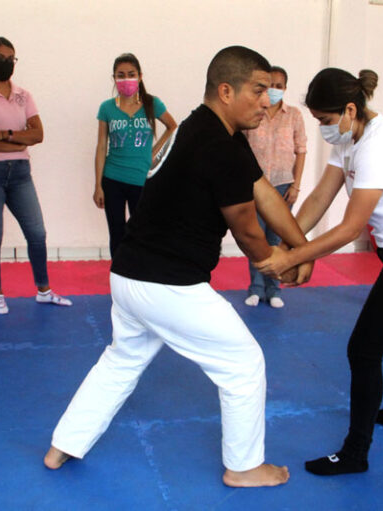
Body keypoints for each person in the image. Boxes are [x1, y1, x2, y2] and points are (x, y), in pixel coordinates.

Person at [44, 46, 314, 487]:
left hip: (128, 276)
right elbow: (247, 229)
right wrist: (281, 262)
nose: (268, 100)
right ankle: (244, 467)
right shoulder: (215, 144)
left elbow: (262, 189)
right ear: (227, 91)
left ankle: (63, 445)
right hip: (168, 285)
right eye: (259, 89)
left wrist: (299, 247)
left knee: (121, 361)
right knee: (244, 364)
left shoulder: (204, 129)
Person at [257, 68, 383, 475]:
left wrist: (292, 259)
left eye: (326, 121)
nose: (324, 130)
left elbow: (348, 227)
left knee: (363, 349)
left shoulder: (378, 147)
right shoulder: (348, 138)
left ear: (349, 109)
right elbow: (318, 199)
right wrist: (290, 243)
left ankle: (355, 453)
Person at [0, 36, 71, 314]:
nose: (6, 63)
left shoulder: (24, 94)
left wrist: (4, 135)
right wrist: (18, 141)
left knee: (37, 232)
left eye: (11, 58)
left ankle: (44, 290)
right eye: (0, 58)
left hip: (20, 173)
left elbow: (38, 134)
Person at [94, 53, 177, 257]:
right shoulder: (106, 108)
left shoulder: (152, 104)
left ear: (140, 76)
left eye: (131, 74)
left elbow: (172, 127)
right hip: (112, 179)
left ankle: (139, 277)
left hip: (141, 179)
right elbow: (101, 146)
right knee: (117, 233)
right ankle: (118, 276)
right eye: (120, 75)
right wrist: (97, 185)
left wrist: (153, 154)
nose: (126, 79)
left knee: (141, 232)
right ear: (114, 78)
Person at [243, 66, 307, 309]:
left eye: (279, 85)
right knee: (255, 238)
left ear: (285, 89)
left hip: (283, 186)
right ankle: (256, 288)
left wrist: (296, 185)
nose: (274, 90)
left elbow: (301, 151)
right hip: (255, 186)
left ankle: (274, 288)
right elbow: (242, 150)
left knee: (277, 239)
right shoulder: (253, 114)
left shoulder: (294, 116)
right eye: (271, 85)